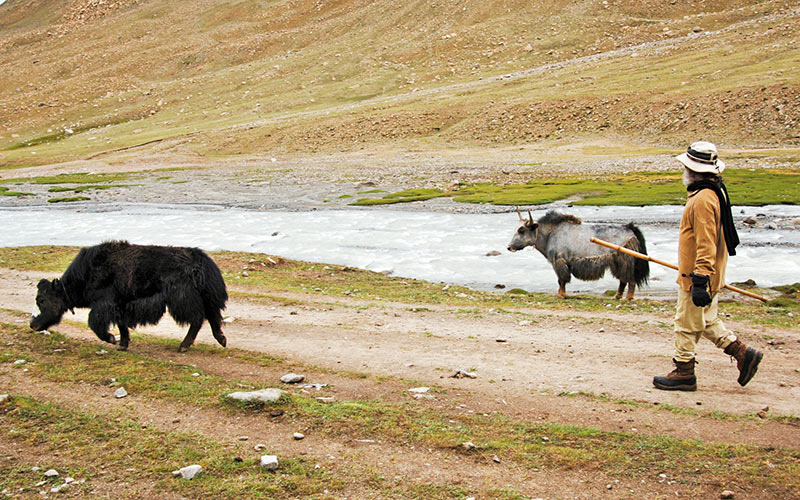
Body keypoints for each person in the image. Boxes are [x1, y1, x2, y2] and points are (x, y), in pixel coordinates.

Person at [653, 141, 762, 392]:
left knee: (685, 323)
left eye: (685, 167)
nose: (683, 171)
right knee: (707, 319)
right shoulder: (715, 190)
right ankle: (743, 354)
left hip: (698, 275)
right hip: (712, 273)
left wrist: (700, 277)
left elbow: (706, 241)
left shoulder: (702, 198)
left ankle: (683, 372)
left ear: (692, 170)